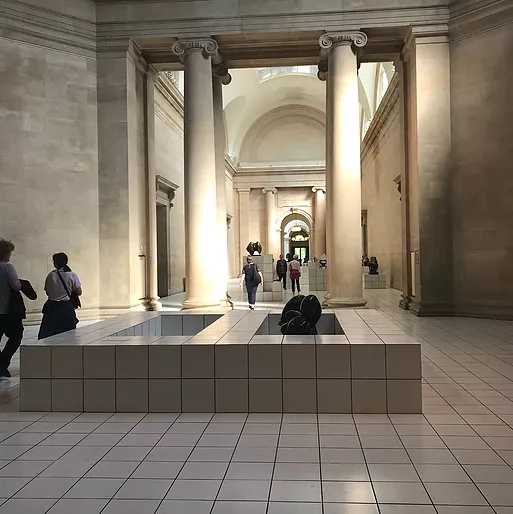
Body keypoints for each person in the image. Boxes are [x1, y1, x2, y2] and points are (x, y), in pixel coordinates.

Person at [38, 253, 82, 340]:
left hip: (51, 307)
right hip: (66, 307)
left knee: (49, 334)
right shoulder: (71, 275)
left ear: (56, 263)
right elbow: (79, 292)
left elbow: (47, 291)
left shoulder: (51, 275)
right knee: (68, 334)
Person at [0, 239, 23, 378]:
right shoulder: (7, 268)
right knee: (16, 336)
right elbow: (17, 286)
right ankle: (2, 364)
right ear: (5, 254)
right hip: (6, 311)